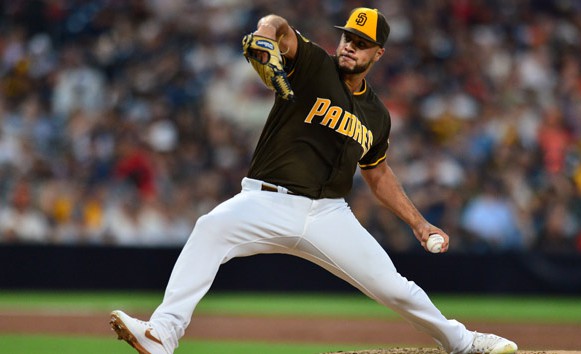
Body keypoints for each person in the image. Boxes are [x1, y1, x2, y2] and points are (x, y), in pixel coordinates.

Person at [110, 8, 518, 354]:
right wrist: (266, 36)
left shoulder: (377, 115)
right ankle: (163, 333)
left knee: (395, 288)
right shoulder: (313, 65)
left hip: (329, 215)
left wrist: (419, 223)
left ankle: (462, 343)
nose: (348, 46)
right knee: (210, 228)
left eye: (360, 42)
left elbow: (377, 174)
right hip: (266, 200)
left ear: (378, 53)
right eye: (346, 37)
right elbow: (277, 25)